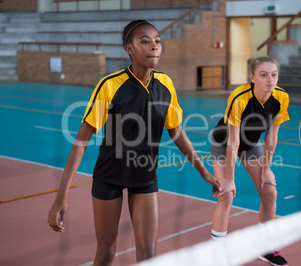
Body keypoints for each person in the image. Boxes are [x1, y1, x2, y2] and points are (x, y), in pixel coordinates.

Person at [47, 19, 224, 265]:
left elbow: (176, 131)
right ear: (129, 49)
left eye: (158, 41)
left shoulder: (166, 85)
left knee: (148, 256)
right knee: (106, 253)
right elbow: (80, 142)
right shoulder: (110, 85)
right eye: (145, 41)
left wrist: (204, 172)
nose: (154, 46)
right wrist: (61, 196)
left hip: (145, 176)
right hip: (109, 176)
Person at [210, 56, 289, 266]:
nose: (270, 80)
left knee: (270, 191)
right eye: (263, 75)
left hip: (251, 144)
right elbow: (233, 142)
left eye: (274, 75)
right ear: (252, 77)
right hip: (223, 142)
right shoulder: (240, 97)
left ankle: (265, 247)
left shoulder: (281, 98)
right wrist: (229, 178)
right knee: (226, 195)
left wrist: (266, 169)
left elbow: (271, 138)